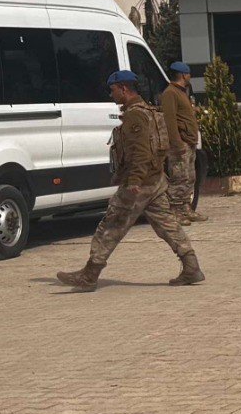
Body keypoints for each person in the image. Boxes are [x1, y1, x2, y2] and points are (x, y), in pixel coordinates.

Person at [56, 71, 201, 291]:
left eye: (113, 90)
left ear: (123, 89)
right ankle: (191, 266)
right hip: (155, 180)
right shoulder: (149, 111)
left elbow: (141, 151)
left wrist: (134, 180)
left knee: (111, 225)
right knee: (167, 224)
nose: (111, 94)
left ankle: (90, 273)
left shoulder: (135, 116)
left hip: (140, 183)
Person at [160, 61, 204, 225]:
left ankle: (186, 208)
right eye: (189, 74)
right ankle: (175, 212)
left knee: (189, 177)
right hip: (180, 144)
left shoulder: (182, 92)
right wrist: (177, 144)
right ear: (183, 75)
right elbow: (169, 120)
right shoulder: (170, 93)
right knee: (179, 178)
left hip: (189, 142)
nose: (190, 77)